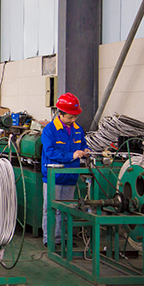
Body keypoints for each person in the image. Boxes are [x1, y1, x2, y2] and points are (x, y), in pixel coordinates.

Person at [41, 92, 90, 248]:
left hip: (70, 176)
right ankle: (49, 239)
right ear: (60, 114)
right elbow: (50, 152)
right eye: (70, 117)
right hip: (54, 177)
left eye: (75, 117)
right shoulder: (50, 130)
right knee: (50, 209)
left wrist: (86, 150)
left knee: (67, 209)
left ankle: (62, 238)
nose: (73, 120)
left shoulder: (77, 129)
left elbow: (82, 144)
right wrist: (71, 155)